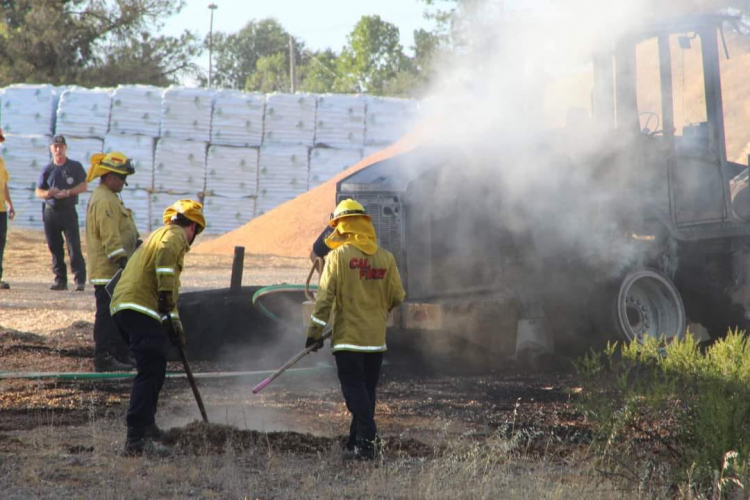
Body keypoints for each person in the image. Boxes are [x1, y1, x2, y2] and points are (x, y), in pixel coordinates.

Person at [305, 198, 405, 461]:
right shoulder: (387, 258)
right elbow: (397, 297)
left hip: (349, 341)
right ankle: (355, 444)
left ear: (342, 228)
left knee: (354, 394)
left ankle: (370, 442)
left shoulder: (338, 256)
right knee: (366, 394)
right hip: (375, 342)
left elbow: (324, 298)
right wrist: (376, 306)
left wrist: (314, 334)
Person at [110, 199, 206, 457]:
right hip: (138, 306)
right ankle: (136, 440)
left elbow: (169, 292)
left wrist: (174, 323)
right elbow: (165, 278)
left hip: (128, 306)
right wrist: (164, 298)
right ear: (193, 227)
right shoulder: (173, 236)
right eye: (195, 230)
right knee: (150, 369)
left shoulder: (160, 233)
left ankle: (147, 426)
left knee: (155, 365)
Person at [85, 152, 139, 372]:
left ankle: (119, 353)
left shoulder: (110, 196)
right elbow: (109, 236)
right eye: (122, 177)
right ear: (109, 176)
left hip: (114, 271)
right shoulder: (104, 199)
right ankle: (105, 357)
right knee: (107, 316)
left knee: (117, 314)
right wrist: (122, 259)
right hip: (109, 271)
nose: (124, 183)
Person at [35, 135, 87, 291]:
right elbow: (38, 191)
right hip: (51, 212)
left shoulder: (74, 167)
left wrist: (69, 192)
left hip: (68, 210)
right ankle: (60, 280)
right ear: (51, 149)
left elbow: (84, 185)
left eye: (61, 146)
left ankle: (79, 280)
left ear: (65, 148)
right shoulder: (47, 169)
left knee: (73, 246)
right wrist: (49, 193)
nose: (58, 149)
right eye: (55, 147)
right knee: (55, 247)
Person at [0, 129, 15, 290]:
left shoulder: (1, 162)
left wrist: (10, 204)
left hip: (1, 210)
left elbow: (4, 184)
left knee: (0, 244)